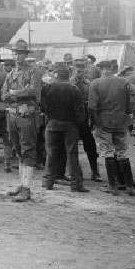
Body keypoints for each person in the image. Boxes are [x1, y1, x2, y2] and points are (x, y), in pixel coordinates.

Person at [88, 59, 135, 196]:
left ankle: (112, 186)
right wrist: (133, 115)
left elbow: (91, 106)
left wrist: (95, 122)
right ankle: (130, 186)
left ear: (101, 69)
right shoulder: (123, 82)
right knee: (122, 152)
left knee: (107, 152)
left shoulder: (95, 83)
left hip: (104, 122)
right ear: (112, 68)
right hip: (121, 122)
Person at [2, 39, 42, 202]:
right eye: (16, 54)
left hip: (26, 115)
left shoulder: (34, 72)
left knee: (28, 150)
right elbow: (3, 95)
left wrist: (15, 93)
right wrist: (18, 93)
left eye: (21, 54)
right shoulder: (10, 74)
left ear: (26, 55)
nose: (18, 57)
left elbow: (34, 91)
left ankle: (27, 188)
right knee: (18, 149)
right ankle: (21, 184)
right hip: (12, 115)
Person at [40, 62, 89, 193]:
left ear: (56, 75)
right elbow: (80, 112)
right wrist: (76, 124)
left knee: (51, 153)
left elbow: (43, 107)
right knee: (72, 155)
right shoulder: (74, 89)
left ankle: (48, 182)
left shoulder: (47, 88)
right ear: (68, 76)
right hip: (70, 125)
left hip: (52, 124)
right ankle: (76, 185)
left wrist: (50, 115)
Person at [71, 59, 101, 181]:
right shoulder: (68, 84)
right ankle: (74, 172)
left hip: (85, 120)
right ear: (74, 70)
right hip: (71, 120)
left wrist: (93, 121)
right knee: (71, 146)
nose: (80, 74)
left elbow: (93, 103)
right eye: (78, 71)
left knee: (90, 146)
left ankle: (95, 171)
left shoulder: (89, 85)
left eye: (82, 71)